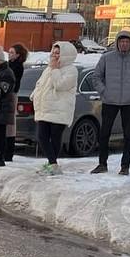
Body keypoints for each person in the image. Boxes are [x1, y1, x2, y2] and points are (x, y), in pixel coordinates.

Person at [88, 29, 130, 176]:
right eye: (121, 41)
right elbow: (96, 77)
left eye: (127, 41)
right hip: (109, 101)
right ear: (117, 43)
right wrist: (104, 92)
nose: (124, 44)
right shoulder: (107, 58)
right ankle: (102, 164)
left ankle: (125, 166)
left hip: (129, 103)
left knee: (128, 136)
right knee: (104, 134)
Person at [30, 42, 78, 176]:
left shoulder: (71, 70)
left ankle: (53, 164)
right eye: (53, 52)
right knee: (42, 136)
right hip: (45, 108)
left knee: (54, 137)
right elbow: (41, 84)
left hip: (60, 109)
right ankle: (53, 164)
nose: (54, 55)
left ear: (65, 55)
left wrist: (55, 70)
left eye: (58, 53)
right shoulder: (49, 68)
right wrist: (34, 95)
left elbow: (60, 85)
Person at [0, 43, 27, 163]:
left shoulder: (16, 67)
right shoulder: (6, 66)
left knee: (8, 127)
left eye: (12, 53)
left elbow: (8, 85)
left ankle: (7, 153)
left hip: (9, 96)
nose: (9, 55)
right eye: (8, 52)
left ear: (18, 55)